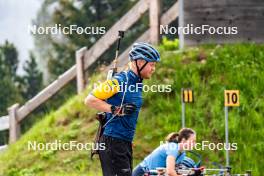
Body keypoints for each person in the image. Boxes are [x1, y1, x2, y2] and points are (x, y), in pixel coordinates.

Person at [84, 42, 161, 176]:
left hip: (123, 143)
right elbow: (90, 100)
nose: (153, 68)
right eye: (151, 64)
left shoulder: (137, 83)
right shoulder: (119, 81)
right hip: (112, 142)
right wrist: (116, 110)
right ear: (140, 62)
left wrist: (128, 141)